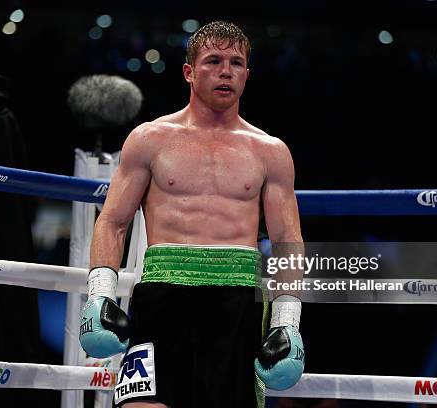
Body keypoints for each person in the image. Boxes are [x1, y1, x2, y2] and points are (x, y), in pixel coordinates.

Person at [79, 21, 305, 408]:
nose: (225, 71)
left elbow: (287, 241)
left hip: (236, 300)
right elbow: (114, 221)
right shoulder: (150, 139)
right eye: (213, 61)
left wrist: (287, 320)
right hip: (162, 294)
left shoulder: (270, 151)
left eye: (236, 63)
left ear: (247, 75)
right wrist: (100, 295)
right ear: (188, 71)